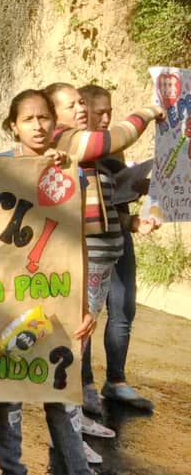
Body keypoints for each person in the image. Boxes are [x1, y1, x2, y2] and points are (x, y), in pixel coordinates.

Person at [0, 89, 133, 475]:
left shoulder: (71, 172)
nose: (37, 125)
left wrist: (84, 302)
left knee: (60, 397)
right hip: (3, 302)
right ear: (13, 125)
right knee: (7, 396)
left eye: (43, 118)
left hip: (54, 303)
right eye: (27, 118)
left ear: (54, 124)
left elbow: (81, 238)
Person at [44, 82, 164, 424]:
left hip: (103, 254)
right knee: (76, 332)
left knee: (83, 328)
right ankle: (70, 416)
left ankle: (76, 412)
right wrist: (148, 112)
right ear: (54, 116)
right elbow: (111, 139)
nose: (81, 109)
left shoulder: (87, 155)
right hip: (85, 256)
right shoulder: (67, 140)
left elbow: (99, 209)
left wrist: (131, 222)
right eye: (72, 105)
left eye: (82, 102)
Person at [79, 84, 158, 411]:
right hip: (87, 243)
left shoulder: (114, 150)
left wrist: (135, 217)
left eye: (110, 111)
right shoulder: (81, 145)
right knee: (85, 315)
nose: (106, 117)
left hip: (117, 236)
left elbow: (114, 201)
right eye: (100, 112)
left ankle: (116, 381)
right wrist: (150, 112)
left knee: (123, 308)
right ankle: (83, 386)